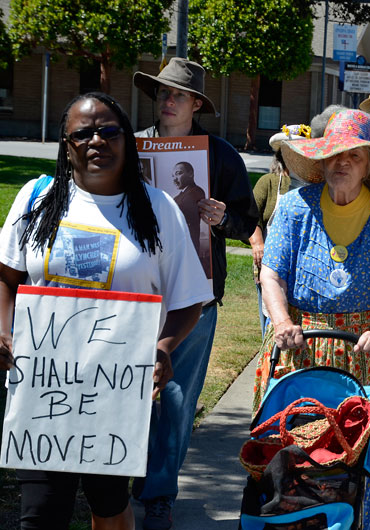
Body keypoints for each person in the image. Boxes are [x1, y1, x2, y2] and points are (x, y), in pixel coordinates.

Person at [0, 92, 211, 530]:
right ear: (66, 144)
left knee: (110, 507)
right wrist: (3, 332)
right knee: (39, 516)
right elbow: (6, 277)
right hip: (42, 389)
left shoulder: (157, 210)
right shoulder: (36, 199)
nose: (96, 140)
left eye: (108, 130)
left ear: (127, 140)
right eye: (82, 133)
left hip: (114, 394)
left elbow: (190, 299)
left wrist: (163, 348)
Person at [254, 109, 370, 529]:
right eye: (334, 154)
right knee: (290, 452)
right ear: (321, 160)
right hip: (298, 345)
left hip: (362, 351)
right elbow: (271, 273)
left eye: (354, 155)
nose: (342, 162)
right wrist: (281, 320)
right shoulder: (293, 208)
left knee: (363, 459)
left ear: (367, 165)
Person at [132, 57, 259, 529]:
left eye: (178, 94)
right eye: (162, 92)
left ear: (196, 104)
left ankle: (158, 492)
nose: (167, 100)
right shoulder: (131, 147)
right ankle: (125, 478)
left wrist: (222, 218)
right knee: (127, 390)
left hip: (195, 296)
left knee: (178, 397)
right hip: (135, 291)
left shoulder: (221, 156)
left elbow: (248, 223)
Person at [248, 126, 306, 336]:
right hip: (271, 265)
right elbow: (250, 216)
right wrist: (257, 243)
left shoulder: (315, 185)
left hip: (304, 267)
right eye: (288, 151)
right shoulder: (270, 182)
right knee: (272, 321)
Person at [171, 161, 205, 253]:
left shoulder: (196, 192)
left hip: (188, 246)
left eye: (178, 174)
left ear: (190, 173)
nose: (174, 179)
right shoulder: (181, 195)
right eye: (173, 176)